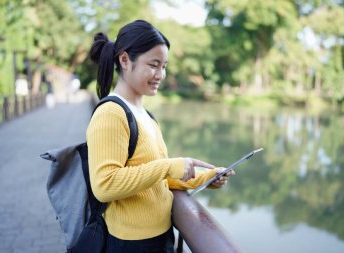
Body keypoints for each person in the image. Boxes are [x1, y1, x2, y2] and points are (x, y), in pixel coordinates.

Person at [87, 19, 235, 253]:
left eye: (164, 66)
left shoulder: (147, 116)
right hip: (131, 245)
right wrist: (168, 166)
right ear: (125, 60)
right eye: (154, 65)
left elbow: (155, 177)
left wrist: (205, 178)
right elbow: (105, 185)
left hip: (160, 237)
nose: (161, 74)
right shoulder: (111, 113)